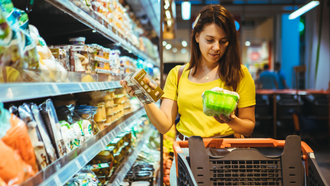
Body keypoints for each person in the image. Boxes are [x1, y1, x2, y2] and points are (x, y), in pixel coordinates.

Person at [121, 4, 256, 184]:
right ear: (197, 36)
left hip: (226, 157)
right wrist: (143, 95)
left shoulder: (239, 73)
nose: (216, 47)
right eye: (210, 40)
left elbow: (249, 126)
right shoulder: (177, 74)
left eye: (223, 41)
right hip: (187, 155)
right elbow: (164, 124)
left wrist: (230, 120)